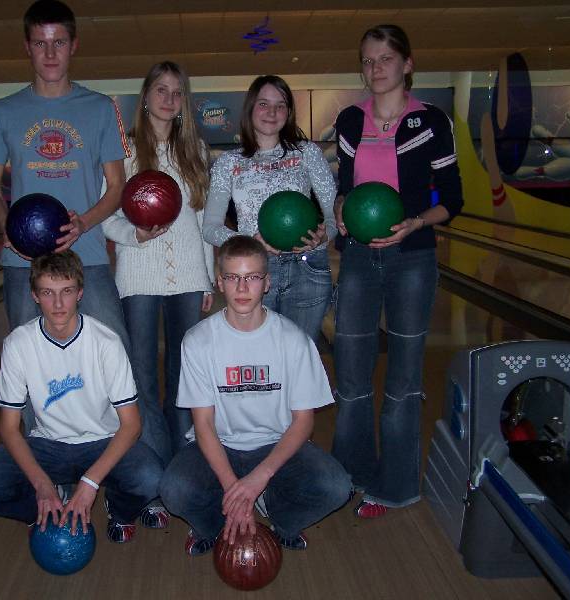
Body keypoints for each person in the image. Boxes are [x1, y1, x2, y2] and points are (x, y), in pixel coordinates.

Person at [331, 24, 463, 519]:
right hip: (359, 256)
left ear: (407, 64)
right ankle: (351, 474)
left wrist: (414, 223)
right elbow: (346, 189)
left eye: (385, 59)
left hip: (413, 257)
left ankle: (398, 485)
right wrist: (341, 208)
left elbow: (452, 199)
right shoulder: (350, 120)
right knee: (351, 375)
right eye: (367, 61)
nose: (375, 69)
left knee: (404, 379)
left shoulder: (430, 120)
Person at [159, 236, 351, 556]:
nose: (242, 287)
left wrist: (259, 478)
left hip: (276, 443)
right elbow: (203, 425)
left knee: (336, 487)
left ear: (267, 282)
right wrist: (234, 488)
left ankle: (279, 517)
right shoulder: (198, 341)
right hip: (220, 444)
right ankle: (215, 525)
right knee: (173, 490)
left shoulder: (294, 340)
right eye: (233, 277)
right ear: (220, 282)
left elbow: (303, 422)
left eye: (252, 277)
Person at [0, 251, 164, 543]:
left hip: (102, 441)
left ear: (80, 293)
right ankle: (46, 511)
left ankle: (117, 508)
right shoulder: (18, 344)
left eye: (66, 291)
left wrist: (90, 483)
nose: (57, 303)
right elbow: (9, 427)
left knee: (152, 478)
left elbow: (131, 425)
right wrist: (41, 484)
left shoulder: (105, 342)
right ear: (34, 295)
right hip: (47, 445)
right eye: (47, 292)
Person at [0, 0, 130, 351]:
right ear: (27, 47)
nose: (50, 53)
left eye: (59, 42)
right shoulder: (3, 111)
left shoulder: (101, 108)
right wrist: (9, 230)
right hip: (23, 261)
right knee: (26, 359)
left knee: (116, 351)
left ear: (73, 45)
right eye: (40, 43)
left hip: (87, 255)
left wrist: (83, 224)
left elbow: (117, 186)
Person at [102, 61, 215, 466]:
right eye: (161, 90)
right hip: (137, 275)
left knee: (184, 375)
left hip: (188, 275)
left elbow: (202, 219)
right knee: (142, 375)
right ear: (146, 97)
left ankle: (182, 462)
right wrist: (134, 235)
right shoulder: (125, 152)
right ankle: (152, 462)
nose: (169, 99)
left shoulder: (196, 151)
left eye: (177, 92)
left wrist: (206, 279)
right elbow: (106, 218)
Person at [203, 75, 337, 343]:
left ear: (289, 112)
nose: (272, 112)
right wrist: (249, 243)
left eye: (280, 105)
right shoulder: (229, 162)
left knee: (301, 354)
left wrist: (323, 236)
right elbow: (210, 228)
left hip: (308, 268)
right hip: (255, 271)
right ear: (250, 108)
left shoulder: (307, 152)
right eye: (263, 104)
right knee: (259, 356)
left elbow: (334, 216)